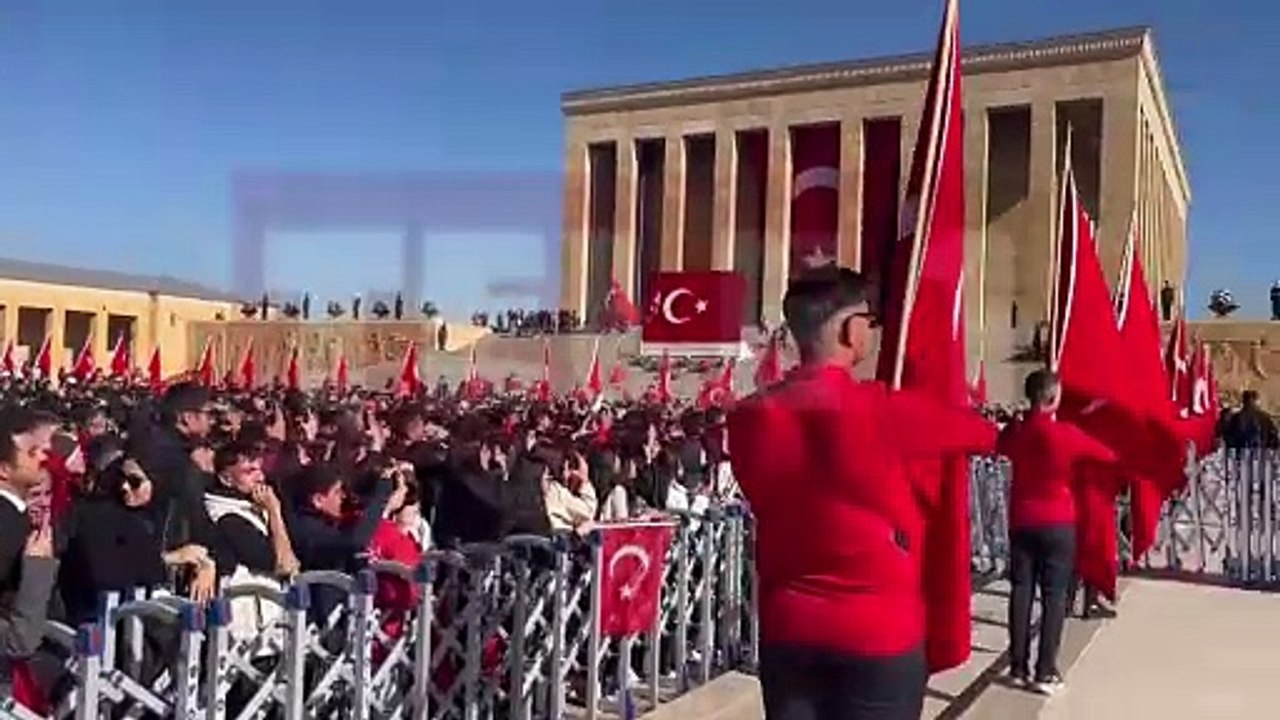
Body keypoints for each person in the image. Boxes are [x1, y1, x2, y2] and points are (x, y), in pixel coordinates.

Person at [728, 267, 997, 719]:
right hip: (877, 633)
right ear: (852, 330)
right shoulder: (882, 412)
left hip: (788, 630)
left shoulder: (748, 418)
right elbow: (981, 434)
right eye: (870, 322)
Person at [997, 369, 1116, 695]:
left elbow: (1001, 444)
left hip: (1022, 519)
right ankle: (1045, 669)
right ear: (1054, 398)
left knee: (1021, 592)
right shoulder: (1067, 434)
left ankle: (1018, 666)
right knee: (1054, 597)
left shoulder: (1017, 432)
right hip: (1058, 521)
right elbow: (1106, 455)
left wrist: (1017, 422)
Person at [0, 408, 59, 697]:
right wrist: (38, 568)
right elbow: (19, 638)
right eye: (32, 452)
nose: (44, 456)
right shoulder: (6, 523)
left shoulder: (16, 516)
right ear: (4, 469)